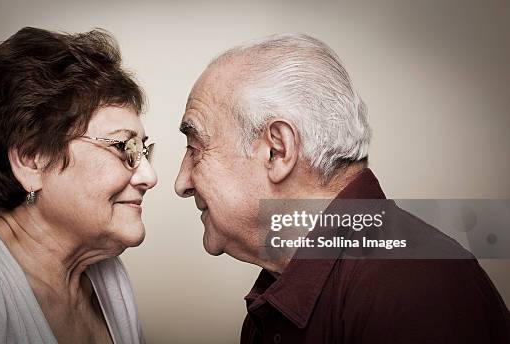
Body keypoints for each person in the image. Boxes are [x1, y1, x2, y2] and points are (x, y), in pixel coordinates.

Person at [175, 34, 509, 343]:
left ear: (277, 151)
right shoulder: (281, 297)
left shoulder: (411, 287)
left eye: (195, 148)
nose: (182, 183)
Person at [0, 27, 156, 344]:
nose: (149, 176)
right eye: (123, 147)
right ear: (32, 160)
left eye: (143, 151)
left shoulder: (105, 272)